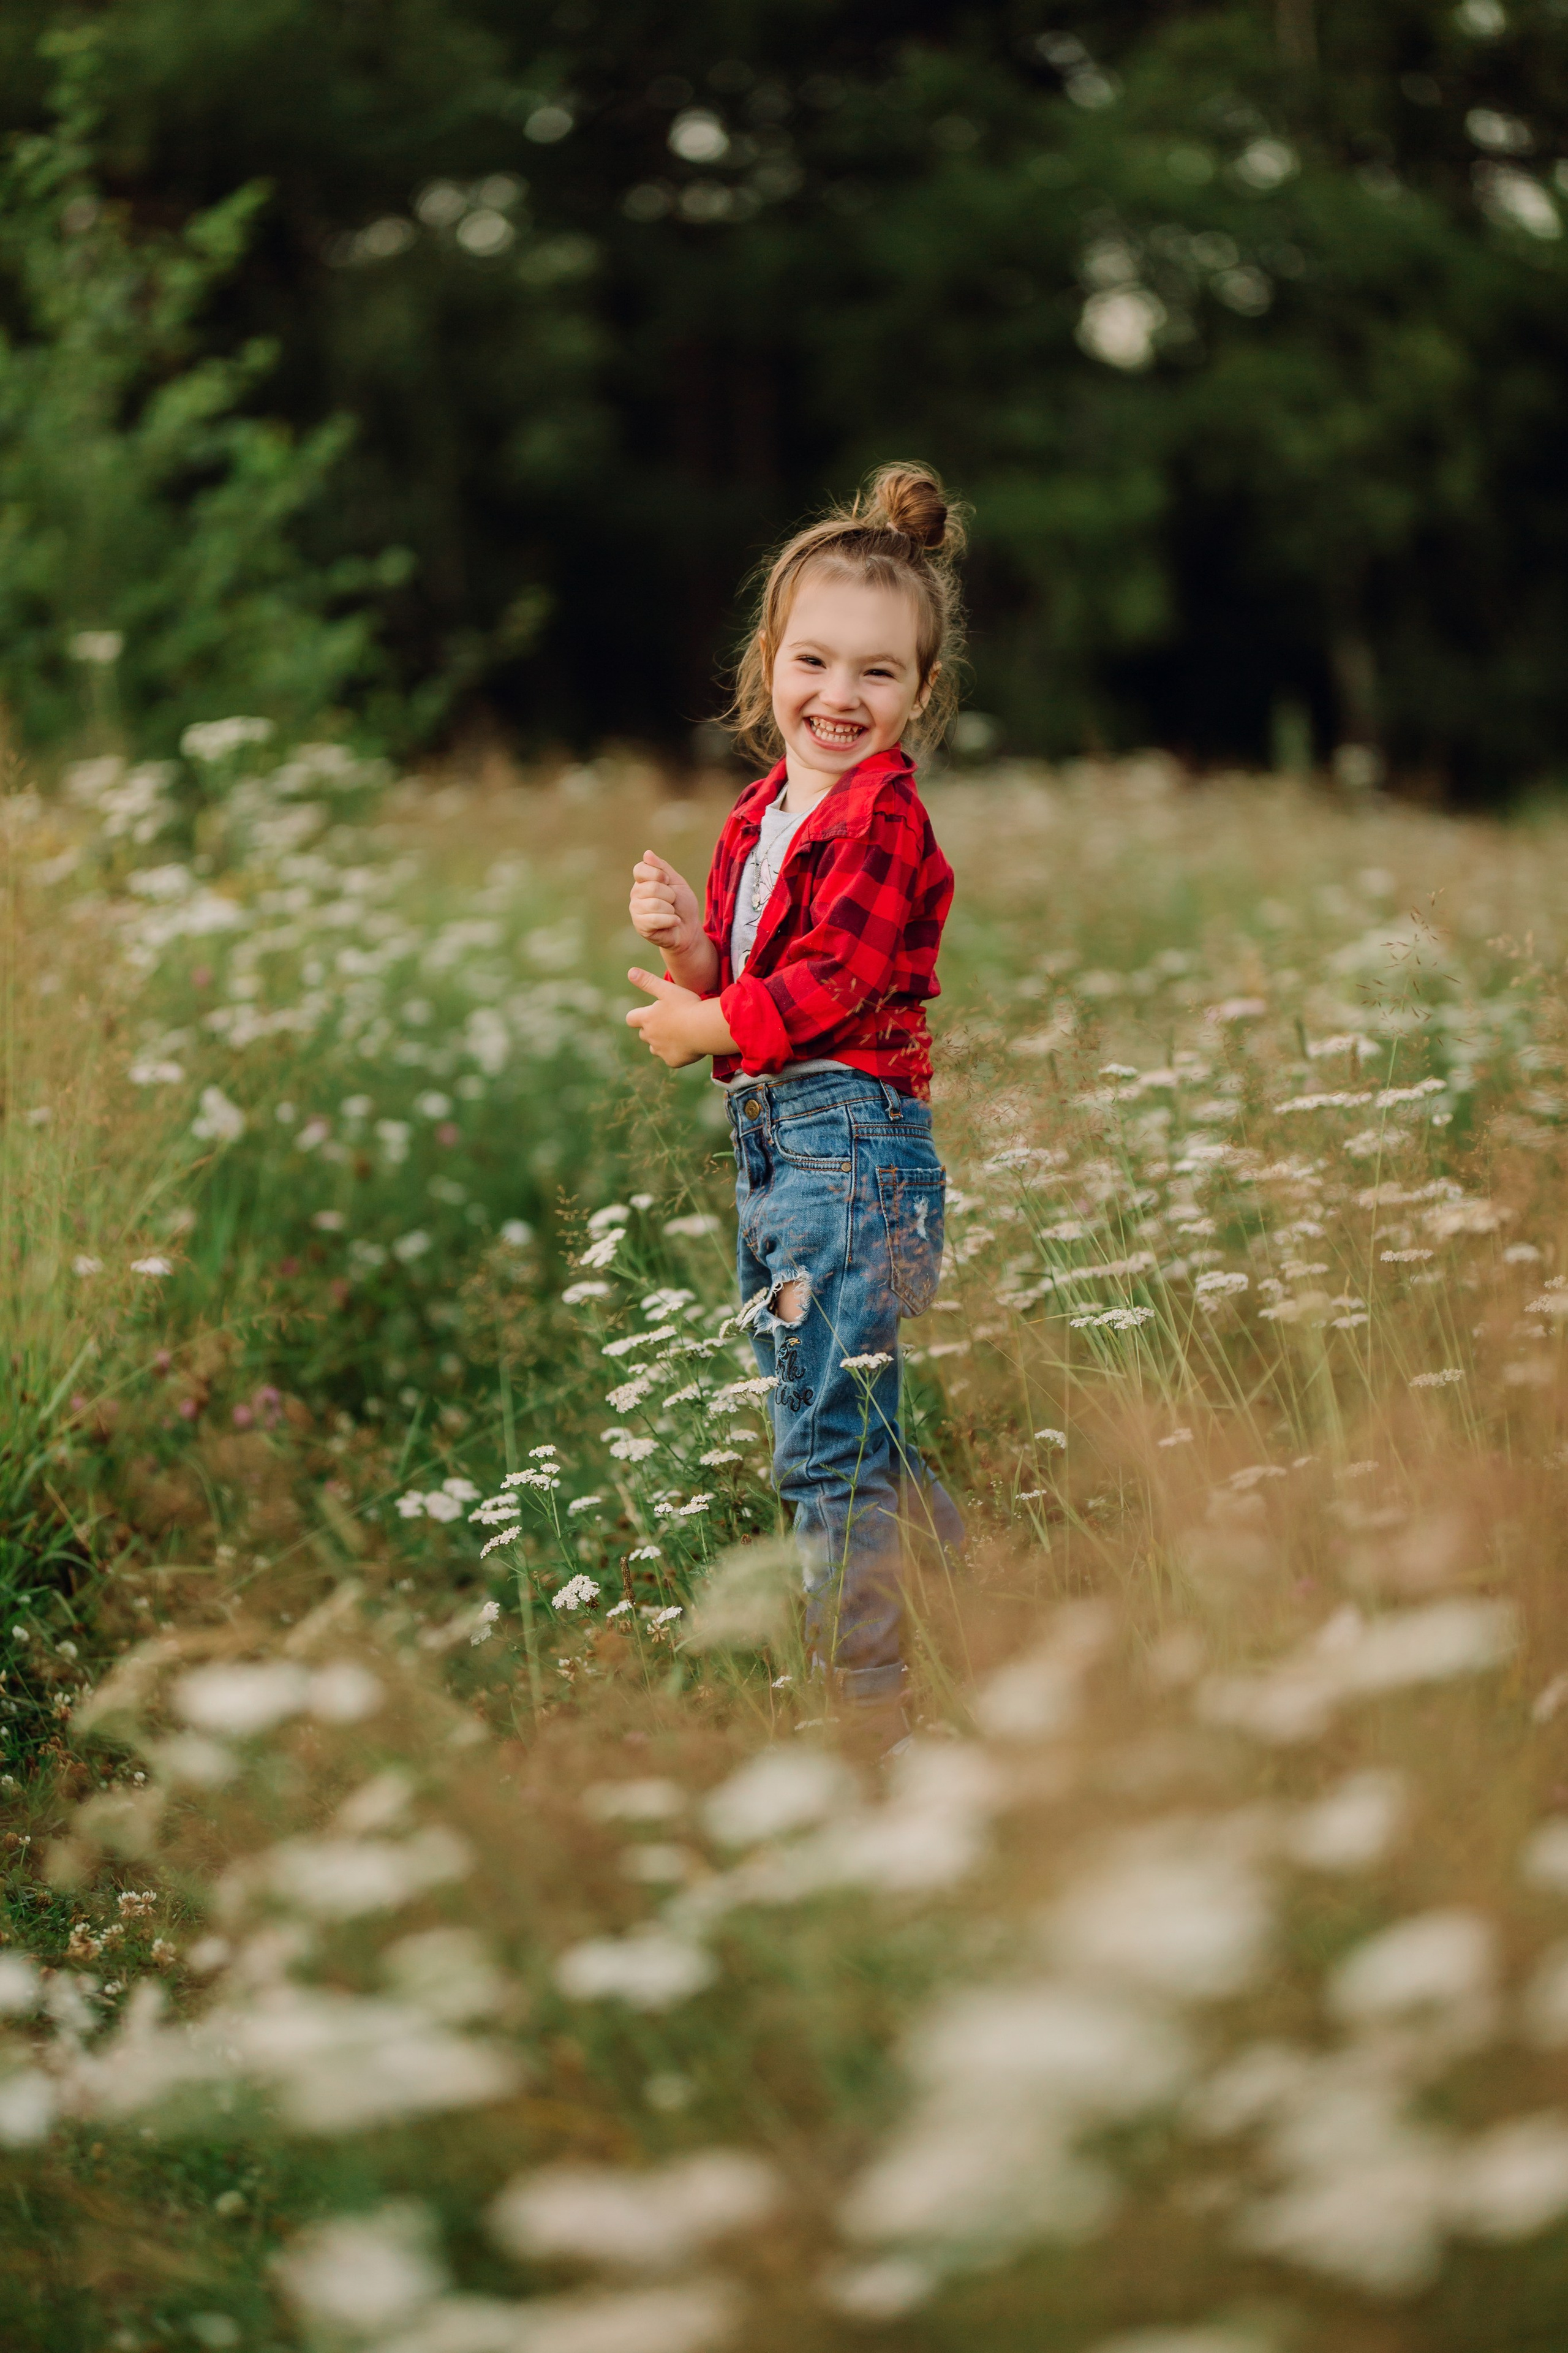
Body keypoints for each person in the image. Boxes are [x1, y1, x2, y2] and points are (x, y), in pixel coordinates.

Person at [624, 461, 965, 1737]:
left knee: (824, 1440)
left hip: (849, 1152)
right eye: (813, 661)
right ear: (768, 658)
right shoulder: (763, 811)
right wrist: (683, 954)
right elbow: (750, 969)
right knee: (845, 1411)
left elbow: (829, 984)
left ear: (919, 693)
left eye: (877, 673)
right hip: (782, 1150)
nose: (839, 695)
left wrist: (701, 1025)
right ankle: (986, 1612)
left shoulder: (882, 822)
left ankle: (870, 1709)